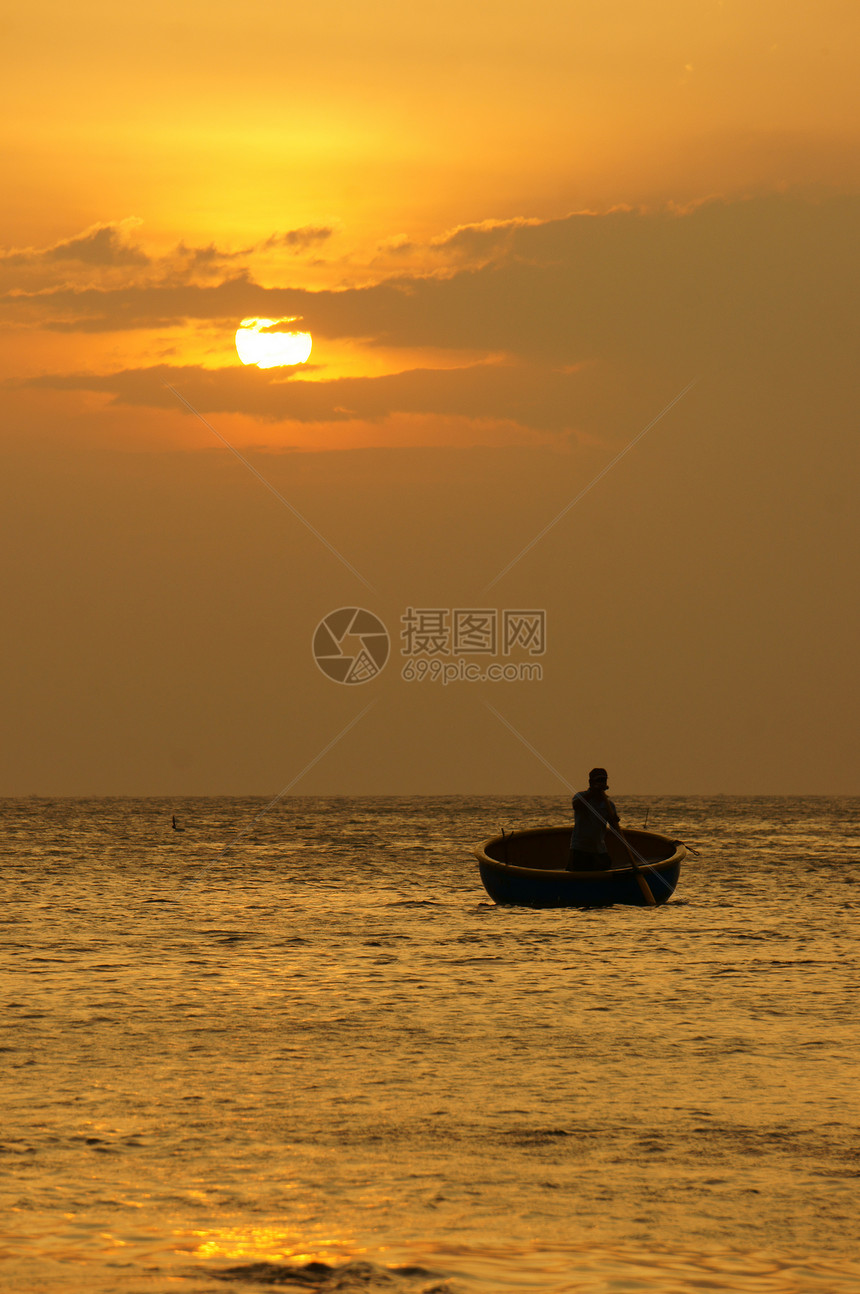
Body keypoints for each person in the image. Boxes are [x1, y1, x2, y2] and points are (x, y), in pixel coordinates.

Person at [567, 768, 620, 870]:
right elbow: (576, 806)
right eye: (598, 780)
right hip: (580, 849)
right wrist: (593, 792)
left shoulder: (609, 805)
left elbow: (615, 829)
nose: (601, 783)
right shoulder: (581, 796)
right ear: (591, 782)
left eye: (603, 781)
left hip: (599, 850)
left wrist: (614, 820)